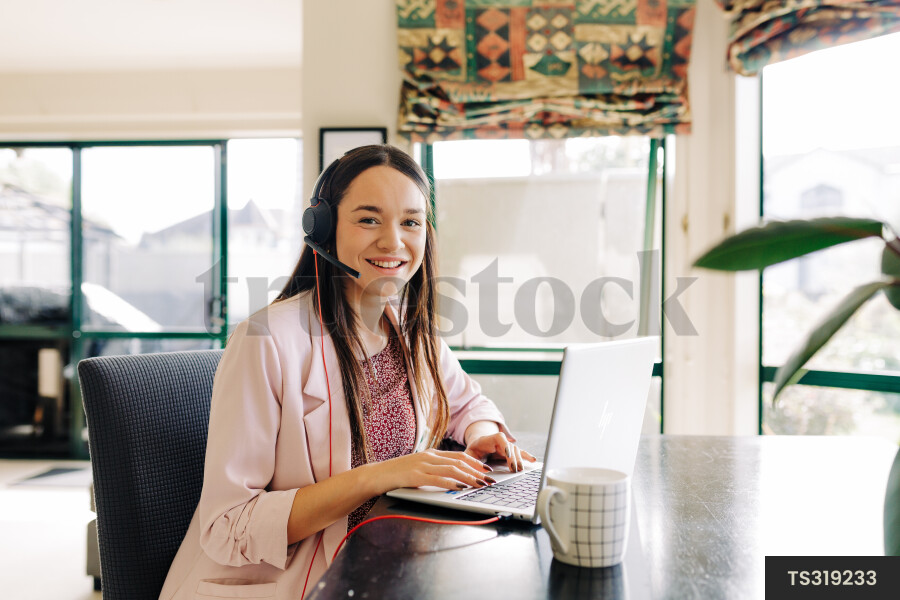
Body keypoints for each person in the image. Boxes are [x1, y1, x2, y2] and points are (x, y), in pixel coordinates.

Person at [159, 145, 535, 600]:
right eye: (369, 219)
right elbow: (227, 525)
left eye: (411, 222)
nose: (393, 241)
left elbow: (466, 402)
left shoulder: (409, 329)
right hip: (305, 583)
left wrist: (481, 431)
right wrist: (380, 475)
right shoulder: (267, 339)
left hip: (391, 568)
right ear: (322, 229)